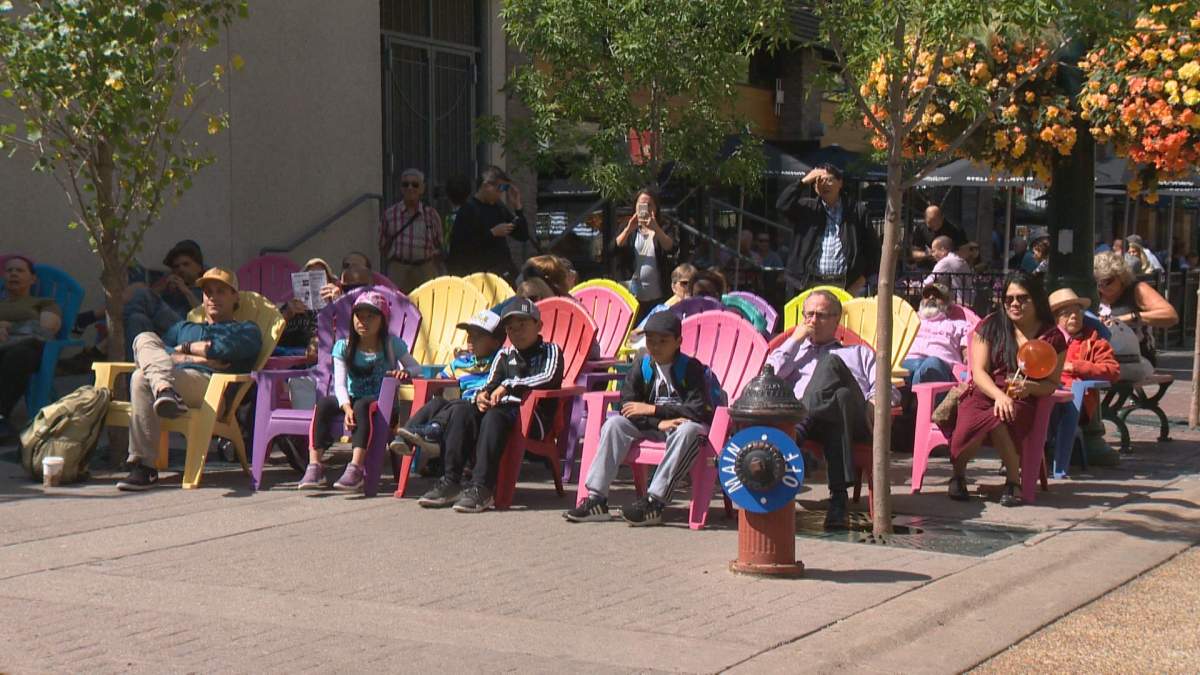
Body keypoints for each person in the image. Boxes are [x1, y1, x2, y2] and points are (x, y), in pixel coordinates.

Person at [565, 312, 719, 525]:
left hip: (687, 431)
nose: (655, 347)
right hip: (655, 426)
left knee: (687, 430)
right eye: (650, 341)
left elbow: (697, 409)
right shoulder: (642, 365)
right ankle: (596, 500)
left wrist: (653, 410)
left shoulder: (691, 368)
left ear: (678, 342)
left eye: (663, 341)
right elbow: (628, 407)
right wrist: (658, 422)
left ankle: (654, 503)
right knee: (614, 424)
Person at [116, 268, 264, 491]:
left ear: (235, 297)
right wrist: (194, 355)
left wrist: (184, 351)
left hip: (211, 389)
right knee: (143, 339)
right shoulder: (185, 327)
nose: (213, 297)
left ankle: (145, 466)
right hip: (174, 378)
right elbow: (158, 350)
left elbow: (228, 348)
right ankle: (165, 391)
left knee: (141, 376)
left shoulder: (246, 329)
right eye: (208, 292)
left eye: (221, 291)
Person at [765, 290, 899, 529]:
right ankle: (838, 499)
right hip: (828, 422)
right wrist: (794, 341)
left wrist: (876, 400)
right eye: (809, 315)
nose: (813, 321)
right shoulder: (794, 353)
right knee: (841, 397)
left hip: (856, 421)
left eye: (822, 315)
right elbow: (767, 377)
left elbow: (888, 388)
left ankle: (796, 435)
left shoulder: (857, 352)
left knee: (831, 362)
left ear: (837, 321)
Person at [946, 272, 1066, 506]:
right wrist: (999, 395)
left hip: (1023, 395)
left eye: (1022, 298)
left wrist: (1029, 386)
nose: (1014, 304)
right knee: (970, 425)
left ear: (1036, 300)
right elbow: (978, 372)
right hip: (987, 389)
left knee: (1001, 419)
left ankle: (1013, 482)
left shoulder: (1052, 337)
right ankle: (958, 476)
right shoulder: (990, 326)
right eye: (1009, 299)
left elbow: (1050, 384)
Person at [434, 298, 563, 513]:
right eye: (511, 328)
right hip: (500, 411)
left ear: (539, 326)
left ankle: (482, 488)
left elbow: (547, 377)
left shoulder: (550, 351)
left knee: (494, 416)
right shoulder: (504, 354)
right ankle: (451, 481)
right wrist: (482, 396)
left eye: (522, 325)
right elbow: (490, 384)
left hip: (534, 418)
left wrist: (509, 386)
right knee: (462, 409)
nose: (516, 332)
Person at [297, 291, 420, 491]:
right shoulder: (344, 347)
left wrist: (404, 372)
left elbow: (417, 368)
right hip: (352, 401)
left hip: (384, 406)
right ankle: (315, 466)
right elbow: (340, 384)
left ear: (383, 320)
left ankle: (356, 468)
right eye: (359, 316)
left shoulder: (391, 345)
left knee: (363, 405)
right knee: (325, 403)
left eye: (371, 317)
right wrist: (346, 408)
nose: (363, 321)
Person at [389, 310, 505, 496]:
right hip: (458, 409)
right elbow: (439, 379)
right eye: (469, 335)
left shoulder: (501, 360)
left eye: (478, 336)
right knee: (439, 402)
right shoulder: (461, 363)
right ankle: (406, 437)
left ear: (496, 342)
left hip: (477, 411)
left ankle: (433, 433)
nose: (470, 341)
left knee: (457, 405)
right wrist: (438, 382)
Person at [776, 163, 879, 295]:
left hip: (845, 285)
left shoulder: (856, 211)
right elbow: (782, 205)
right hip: (809, 284)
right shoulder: (808, 208)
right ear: (815, 186)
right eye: (820, 180)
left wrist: (861, 281)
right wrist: (803, 182)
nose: (825, 184)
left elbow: (873, 250)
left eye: (829, 180)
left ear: (840, 183)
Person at [1048, 288, 1119, 477]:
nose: (1074, 317)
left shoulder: (1093, 341)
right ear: (1055, 318)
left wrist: (1076, 367)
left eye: (1077, 312)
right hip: (1044, 392)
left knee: (1052, 407)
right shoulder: (1045, 339)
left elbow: (1112, 370)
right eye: (1066, 313)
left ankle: (1048, 462)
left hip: (1073, 399)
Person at [0, 256, 62, 437]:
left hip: (26, 350)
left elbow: (47, 328)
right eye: (9, 270)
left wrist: (9, 326)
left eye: (19, 270)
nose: (13, 274)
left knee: (19, 355)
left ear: (33, 279)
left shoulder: (44, 302)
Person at [1093, 251, 1178, 371]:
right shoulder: (1094, 294)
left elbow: (1171, 316)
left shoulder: (1137, 289)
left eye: (1107, 281)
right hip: (1100, 355)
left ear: (1121, 276)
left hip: (1134, 357)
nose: (1102, 286)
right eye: (1098, 282)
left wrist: (1131, 317)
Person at [121, 239, 205, 358]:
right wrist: (161, 288)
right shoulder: (169, 287)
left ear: (199, 267)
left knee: (144, 293)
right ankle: (133, 373)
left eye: (186, 264)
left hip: (187, 332)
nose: (180, 269)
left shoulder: (207, 287)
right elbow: (151, 307)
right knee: (136, 319)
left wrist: (186, 291)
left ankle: (110, 338)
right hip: (164, 335)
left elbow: (205, 315)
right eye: (176, 267)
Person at [448, 165, 531, 280]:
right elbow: (460, 247)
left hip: (503, 271)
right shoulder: (469, 209)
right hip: (480, 274)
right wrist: (492, 233)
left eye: (504, 188)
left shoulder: (499, 207)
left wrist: (517, 206)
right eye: (500, 188)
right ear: (486, 185)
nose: (501, 193)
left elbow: (523, 235)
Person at [615, 187, 677, 322]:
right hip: (632, 295)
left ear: (656, 207)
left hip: (657, 294)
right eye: (642, 205)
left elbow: (671, 248)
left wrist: (656, 229)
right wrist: (628, 230)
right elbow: (613, 249)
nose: (646, 209)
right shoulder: (627, 226)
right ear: (635, 207)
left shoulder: (664, 226)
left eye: (650, 205)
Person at [379, 168, 444, 293]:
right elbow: (382, 244)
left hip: (425, 268)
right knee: (396, 307)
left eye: (415, 184)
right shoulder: (390, 214)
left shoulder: (431, 215)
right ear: (401, 188)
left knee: (426, 306)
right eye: (405, 184)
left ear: (422, 189)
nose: (410, 188)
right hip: (399, 269)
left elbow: (439, 244)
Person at [901, 282, 973, 388]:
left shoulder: (960, 325)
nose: (931, 298)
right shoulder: (909, 321)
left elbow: (967, 355)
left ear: (948, 303)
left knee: (930, 364)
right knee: (907, 367)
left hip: (940, 368)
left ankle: (918, 402)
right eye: (927, 296)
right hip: (909, 363)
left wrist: (967, 359)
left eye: (937, 296)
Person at [276, 258, 336, 354]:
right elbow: (271, 331)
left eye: (320, 277)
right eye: (309, 276)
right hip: (287, 347)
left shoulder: (336, 305)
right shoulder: (291, 305)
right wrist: (287, 313)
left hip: (319, 349)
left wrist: (336, 302)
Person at [910, 205, 966, 269]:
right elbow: (914, 254)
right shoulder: (921, 229)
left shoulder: (955, 228)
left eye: (936, 222)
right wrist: (929, 254)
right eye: (930, 223)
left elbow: (965, 251)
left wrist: (945, 256)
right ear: (925, 219)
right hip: (927, 267)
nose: (934, 225)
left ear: (942, 218)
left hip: (951, 267)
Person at [923, 235, 973, 305]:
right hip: (968, 300)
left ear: (943, 250)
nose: (932, 255)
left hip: (957, 303)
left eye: (934, 251)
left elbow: (928, 282)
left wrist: (914, 285)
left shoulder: (946, 262)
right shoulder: (960, 260)